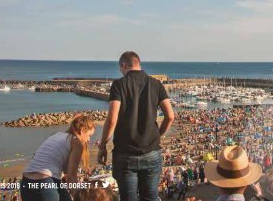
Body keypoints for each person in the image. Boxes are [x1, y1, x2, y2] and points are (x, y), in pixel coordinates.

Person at [97, 51, 175, 201]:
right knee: (151, 198)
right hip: (151, 151)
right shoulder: (156, 84)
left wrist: (102, 146)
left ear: (124, 65)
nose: (121, 72)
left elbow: (112, 119)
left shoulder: (119, 84)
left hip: (125, 153)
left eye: (121, 69)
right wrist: (158, 135)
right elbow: (170, 116)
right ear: (139, 64)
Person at [21, 114, 96, 201]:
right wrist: (78, 197)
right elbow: (71, 176)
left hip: (26, 182)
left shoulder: (57, 135)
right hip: (45, 182)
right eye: (90, 135)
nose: (89, 140)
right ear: (82, 130)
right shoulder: (76, 143)